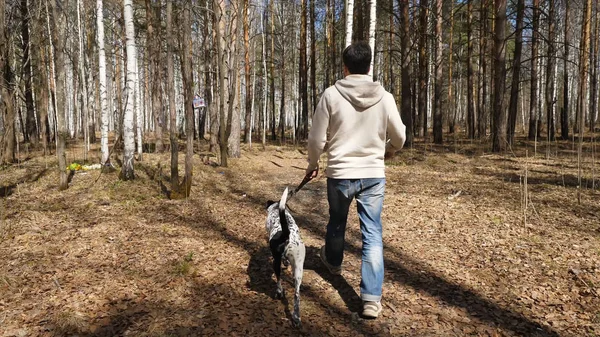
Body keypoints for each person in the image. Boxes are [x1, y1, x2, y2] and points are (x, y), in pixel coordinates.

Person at [305, 41, 406, 319]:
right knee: (372, 233)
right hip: (373, 174)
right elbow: (400, 137)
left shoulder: (330, 95)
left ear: (345, 67)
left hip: (339, 173)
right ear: (369, 66)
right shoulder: (385, 97)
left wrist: (313, 164)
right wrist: (389, 150)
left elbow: (316, 139)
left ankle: (334, 262)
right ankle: (371, 299)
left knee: (337, 221)